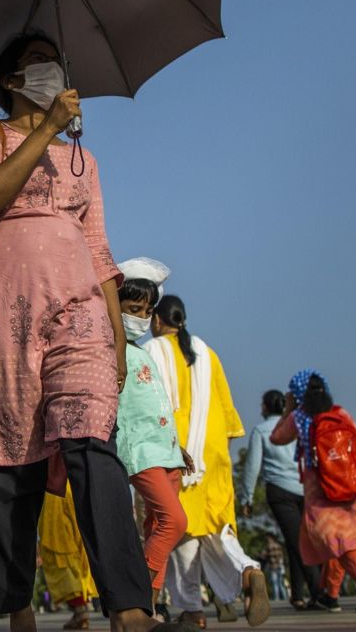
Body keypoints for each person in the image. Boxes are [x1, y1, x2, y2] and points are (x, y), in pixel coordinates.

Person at [0, 33, 161, 632]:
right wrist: (45, 127)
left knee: (92, 448)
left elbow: (100, 248)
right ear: (11, 80)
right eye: (38, 62)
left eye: (56, 61)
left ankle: (130, 607)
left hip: (79, 313)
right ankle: (18, 609)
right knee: (8, 470)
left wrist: (114, 335)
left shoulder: (85, 159)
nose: (53, 70)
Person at [145, 295, 268, 628]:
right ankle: (248, 570)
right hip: (213, 457)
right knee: (217, 529)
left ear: (157, 321)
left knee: (179, 532)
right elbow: (230, 418)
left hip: (175, 454)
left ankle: (193, 610)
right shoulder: (207, 352)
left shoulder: (152, 350)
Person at [112, 258, 192, 620]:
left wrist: (180, 447)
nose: (141, 317)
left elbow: (158, 406)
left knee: (155, 527)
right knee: (174, 522)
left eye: (146, 311)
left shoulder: (143, 352)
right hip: (141, 453)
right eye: (133, 309)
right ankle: (137, 596)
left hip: (167, 451)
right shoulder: (111, 350)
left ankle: (149, 609)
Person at [270, 369, 356, 613]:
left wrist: (288, 408)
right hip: (354, 486)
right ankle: (329, 596)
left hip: (322, 488)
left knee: (340, 543)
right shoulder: (341, 413)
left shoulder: (300, 417)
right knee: (340, 542)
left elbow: (277, 438)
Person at [241, 389, 320, 609]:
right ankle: (297, 594)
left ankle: (318, 592)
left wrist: (246, 497)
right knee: (298, 541)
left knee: (296, 542)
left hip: (280, 491)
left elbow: (252, 466)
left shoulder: (261, 430)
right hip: (305, 488)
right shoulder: (297, 425)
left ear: (265, 407)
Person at [38, 484, 97, 629]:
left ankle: (79, 609)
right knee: (77, 549)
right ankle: (79, 610)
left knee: (60, 549)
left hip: (53, 488)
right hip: (74, 485)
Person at [260, 535, 287, 602]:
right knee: (280, 583)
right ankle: (285, 598)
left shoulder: (269, 547)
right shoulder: (278, 545)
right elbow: (281, 556)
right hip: (280, 566)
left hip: (273, 566)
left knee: (275, 583)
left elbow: (264, 556)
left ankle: (276, 598)